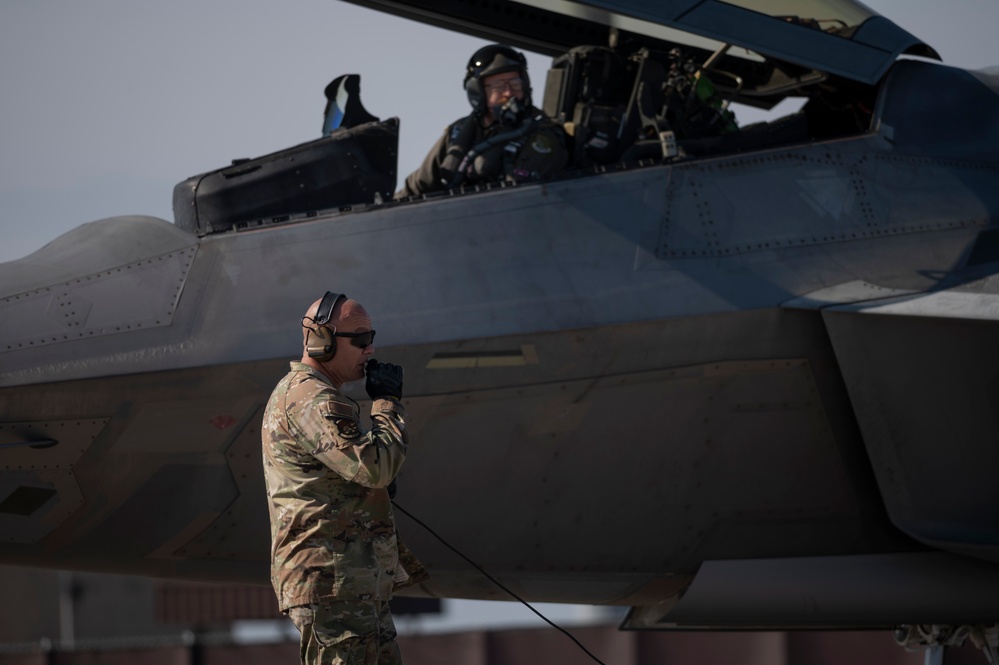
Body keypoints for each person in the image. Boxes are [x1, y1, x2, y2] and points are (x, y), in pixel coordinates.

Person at [262, 291, 427, 665]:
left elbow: (352, 474)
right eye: (362, 340)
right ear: (322, 341)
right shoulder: (313, 400)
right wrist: (386, 402)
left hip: (349, 585)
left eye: (372, 338)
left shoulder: (309, 396)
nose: (370, 350)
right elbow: (375, 468)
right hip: (335, 587)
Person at [395, 43, 568, 198]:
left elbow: (527, 196)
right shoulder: (458, 133)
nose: (508, 93)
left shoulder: (544, 135)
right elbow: (418, 187)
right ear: (477, 92)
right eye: (498, 87)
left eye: (515, 84)